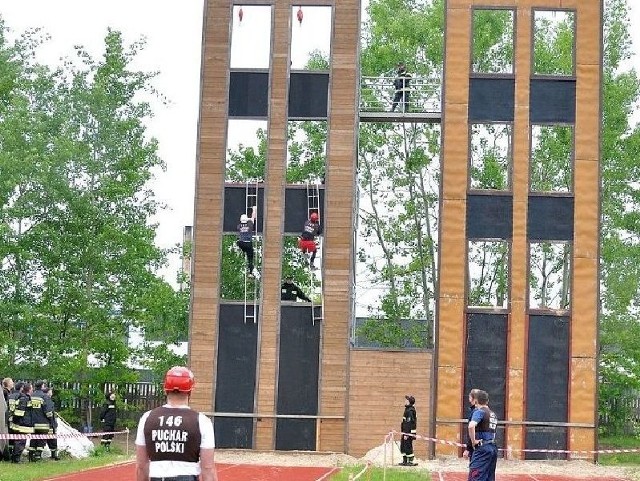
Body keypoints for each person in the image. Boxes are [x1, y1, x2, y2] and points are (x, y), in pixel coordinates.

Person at [135, 366, 218, 481]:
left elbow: (141, 465)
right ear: (190, 390)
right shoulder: (202, 421)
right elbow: (208, 467)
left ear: (165, 389)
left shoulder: (147, 417)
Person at [468, 390, 498, 481]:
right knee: (489, 477)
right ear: (487, 401)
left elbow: (471, 425)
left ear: (476, 401)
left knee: (475, 476)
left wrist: (473, 442)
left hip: (482, 448)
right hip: (492, 447)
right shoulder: (493, 414)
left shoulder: (479, 412)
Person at [29, 380, 54, 462]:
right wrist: (51, 421)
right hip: (43, 423)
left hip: (32, 423)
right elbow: (48, 412)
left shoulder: (31, 396)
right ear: (42, 386)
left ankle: (31, 456)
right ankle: (38, 456)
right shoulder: (44, 397)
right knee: (42, 439)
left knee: (33, 439)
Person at [10, 382, 33, 463]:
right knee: (20, 442)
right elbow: (20, 412)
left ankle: (15, 458)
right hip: (22, 424)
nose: (32, 389)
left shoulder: (19, 396)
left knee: (18, 441)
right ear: (29, 389)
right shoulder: (24, 398)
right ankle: (16, 459)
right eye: (31, 388)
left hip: (19, 423)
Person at [237, 206, 259, 278]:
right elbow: (253, 217)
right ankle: (250, 272)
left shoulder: (239, 226)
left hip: (241, 243)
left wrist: (246, 219)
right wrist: (254, 209)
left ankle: (242, 252)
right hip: (248, 243)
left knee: (244, 249)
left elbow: (244, 222)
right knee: (250, 258)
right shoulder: (249, 225)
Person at [399, 394, 417, 466]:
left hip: (408, 432)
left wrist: (406, 434)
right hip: (405, 432)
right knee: (403, 446)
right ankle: (405, 461)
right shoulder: (407, 409)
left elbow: (408, 423)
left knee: (408, 446)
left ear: (409, 402)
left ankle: (410, 461)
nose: (405, 401)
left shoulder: (410, 411)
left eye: (406, 400)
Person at [42, 386, 60, 460]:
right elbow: (49, 413)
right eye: (51, 391)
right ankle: (54, 455)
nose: (52, 393)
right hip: (49, 424)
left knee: (41, 440)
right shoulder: (47, 400)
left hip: (43, 423)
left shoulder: (43, 399)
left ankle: (36, 455)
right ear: (48, 392)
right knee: (52, 440)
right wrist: (53, 423)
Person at [463, 388, 480, 461]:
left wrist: (468, 448)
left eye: (470, 396)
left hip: (476, 446)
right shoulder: (484, 410)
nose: (469, 399)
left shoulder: (475, 412)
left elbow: (472, 429)